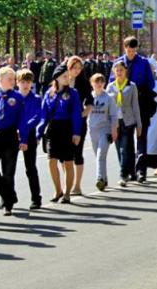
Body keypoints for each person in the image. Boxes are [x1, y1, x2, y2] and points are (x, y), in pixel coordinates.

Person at [0, 66, 28, 216]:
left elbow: (22, 119)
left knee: (9, 171)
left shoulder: (17, 96)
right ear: (0, 79)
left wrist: (23, 138)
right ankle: (9, 195)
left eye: (14, 79)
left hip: (9, 136)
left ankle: (7, 204)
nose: (13, 81)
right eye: (10, 79)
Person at [39, 64, 82, 203]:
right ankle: (57, 190)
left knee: (68, 162)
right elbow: (43, 115)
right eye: (64, 76)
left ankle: (67, 193)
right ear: (56, 78)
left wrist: (76, 132)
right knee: (51, 161)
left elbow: (76, 114)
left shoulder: (73, 93)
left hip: (67, 128)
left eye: (68, 76)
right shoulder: (48, 93)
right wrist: (38, 133)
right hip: (52, 129)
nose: (67, 78)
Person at [118, 36, 157, 184]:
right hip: (124, 105)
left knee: (142, 137)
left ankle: (141, 171)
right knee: (126, 140)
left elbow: (151, 83)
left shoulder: (144, 63)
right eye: (129, 50)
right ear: (124, 48)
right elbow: (111, 83)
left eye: (134, 50)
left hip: (141, 103)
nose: (131, 53)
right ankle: (129, 171)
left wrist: (139, 90)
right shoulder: (118, 64)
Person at [106, 62, 142, 187]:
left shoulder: (131, 86)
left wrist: (139, 125)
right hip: (115, 122)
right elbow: (107, 107)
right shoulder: (110, 87)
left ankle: (123, 175)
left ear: (125, 71)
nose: (119, 72)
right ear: (114, 72)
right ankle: (131, 172)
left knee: (124, 148)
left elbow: (136, 106)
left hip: (128, 121)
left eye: (121, 70)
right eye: (117, 70)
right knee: (120, 148)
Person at [67, 56, 94, 194]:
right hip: (64, 123)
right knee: (65, 155)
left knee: (77, 153)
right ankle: (67, 184)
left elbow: (90, 100)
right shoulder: (62, 81)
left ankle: (77, 185)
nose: (76, 71)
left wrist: (84, 113)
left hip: (78, 123)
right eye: (74, 67)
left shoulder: (83, 83)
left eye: (79, 68)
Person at [17, 69, 43, 209]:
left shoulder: (36, 98)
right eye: (22, 82)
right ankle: (7, 198)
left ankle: (36, 198)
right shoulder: (13, 98)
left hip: (29, 134)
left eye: (28, 82)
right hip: (14, 135)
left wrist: (24, 128)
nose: (25, 85)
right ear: (17, 83)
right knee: (9, 168)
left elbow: (37, 116)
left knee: (30, 168)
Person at [89, 73, 119, 190]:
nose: (99, 84)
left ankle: (99, 179)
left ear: (104, 84)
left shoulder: (109, 98)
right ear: (92, 84)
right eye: (96, 82)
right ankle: (105, 178)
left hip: (105, 130)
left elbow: (114, 116)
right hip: (93, 131)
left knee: (101, 155)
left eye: (101, 82)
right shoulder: (89, 97)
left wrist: (114, 131)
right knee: (98, 157)